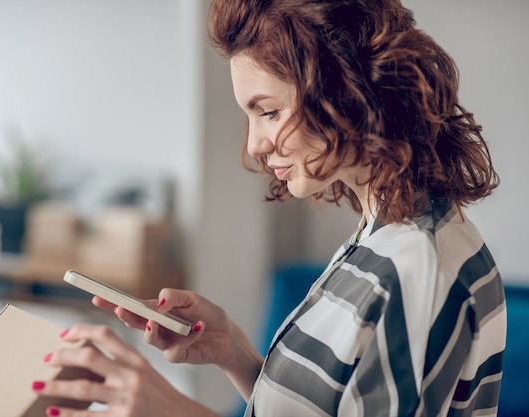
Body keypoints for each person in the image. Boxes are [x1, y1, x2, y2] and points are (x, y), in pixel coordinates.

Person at [31, 0, 506, 416]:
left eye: (269, 111)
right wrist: (233, 351)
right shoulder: (381, 234)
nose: (255, 144)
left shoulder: (416, 269)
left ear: (344, 91)